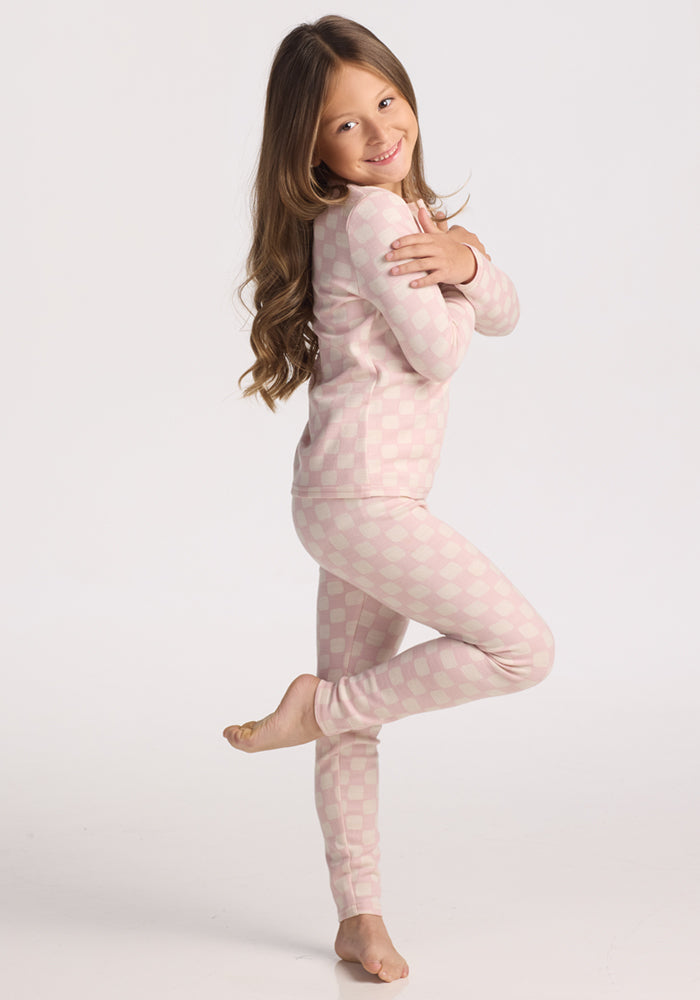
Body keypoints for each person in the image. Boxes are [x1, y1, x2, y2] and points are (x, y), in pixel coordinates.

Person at [223, 14, 554, 983]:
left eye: (384, 101)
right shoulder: (370, 218)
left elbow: (506, 310)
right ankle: (318, 707)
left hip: (344, 496)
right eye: (342, 125)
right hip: (366, 500)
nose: (376, 133)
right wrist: (462, 272)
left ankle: (357, 918)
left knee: (350, 721)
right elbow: (446, 347)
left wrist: (466, 263)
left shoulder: (392, 217)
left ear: (406, 96)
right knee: (520, 648)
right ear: (306, 148)